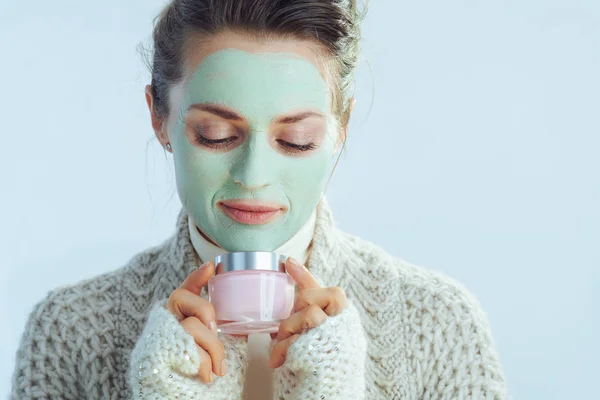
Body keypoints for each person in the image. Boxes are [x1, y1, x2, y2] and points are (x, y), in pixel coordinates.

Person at [10, 0, 509, 399]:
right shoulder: (72, 332)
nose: (253, 177)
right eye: (217, 134)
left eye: (296, 140)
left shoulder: (439, 324)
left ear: (342, 130)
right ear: (159, 117)